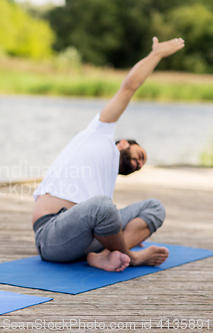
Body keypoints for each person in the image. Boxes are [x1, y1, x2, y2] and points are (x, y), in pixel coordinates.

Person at [32, 37, 185, 272]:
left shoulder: (106, 181)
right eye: (140, 154)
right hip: (52, 236)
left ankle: (104, 254)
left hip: (87, 238)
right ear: (123, 143)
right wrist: (156, 55)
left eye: (140, 166)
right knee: (103, 206)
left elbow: (104, 217)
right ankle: (130, 256)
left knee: (154, 207)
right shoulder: (100, 132)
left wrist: (119, 233)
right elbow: (129, 86)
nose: (139, 163)